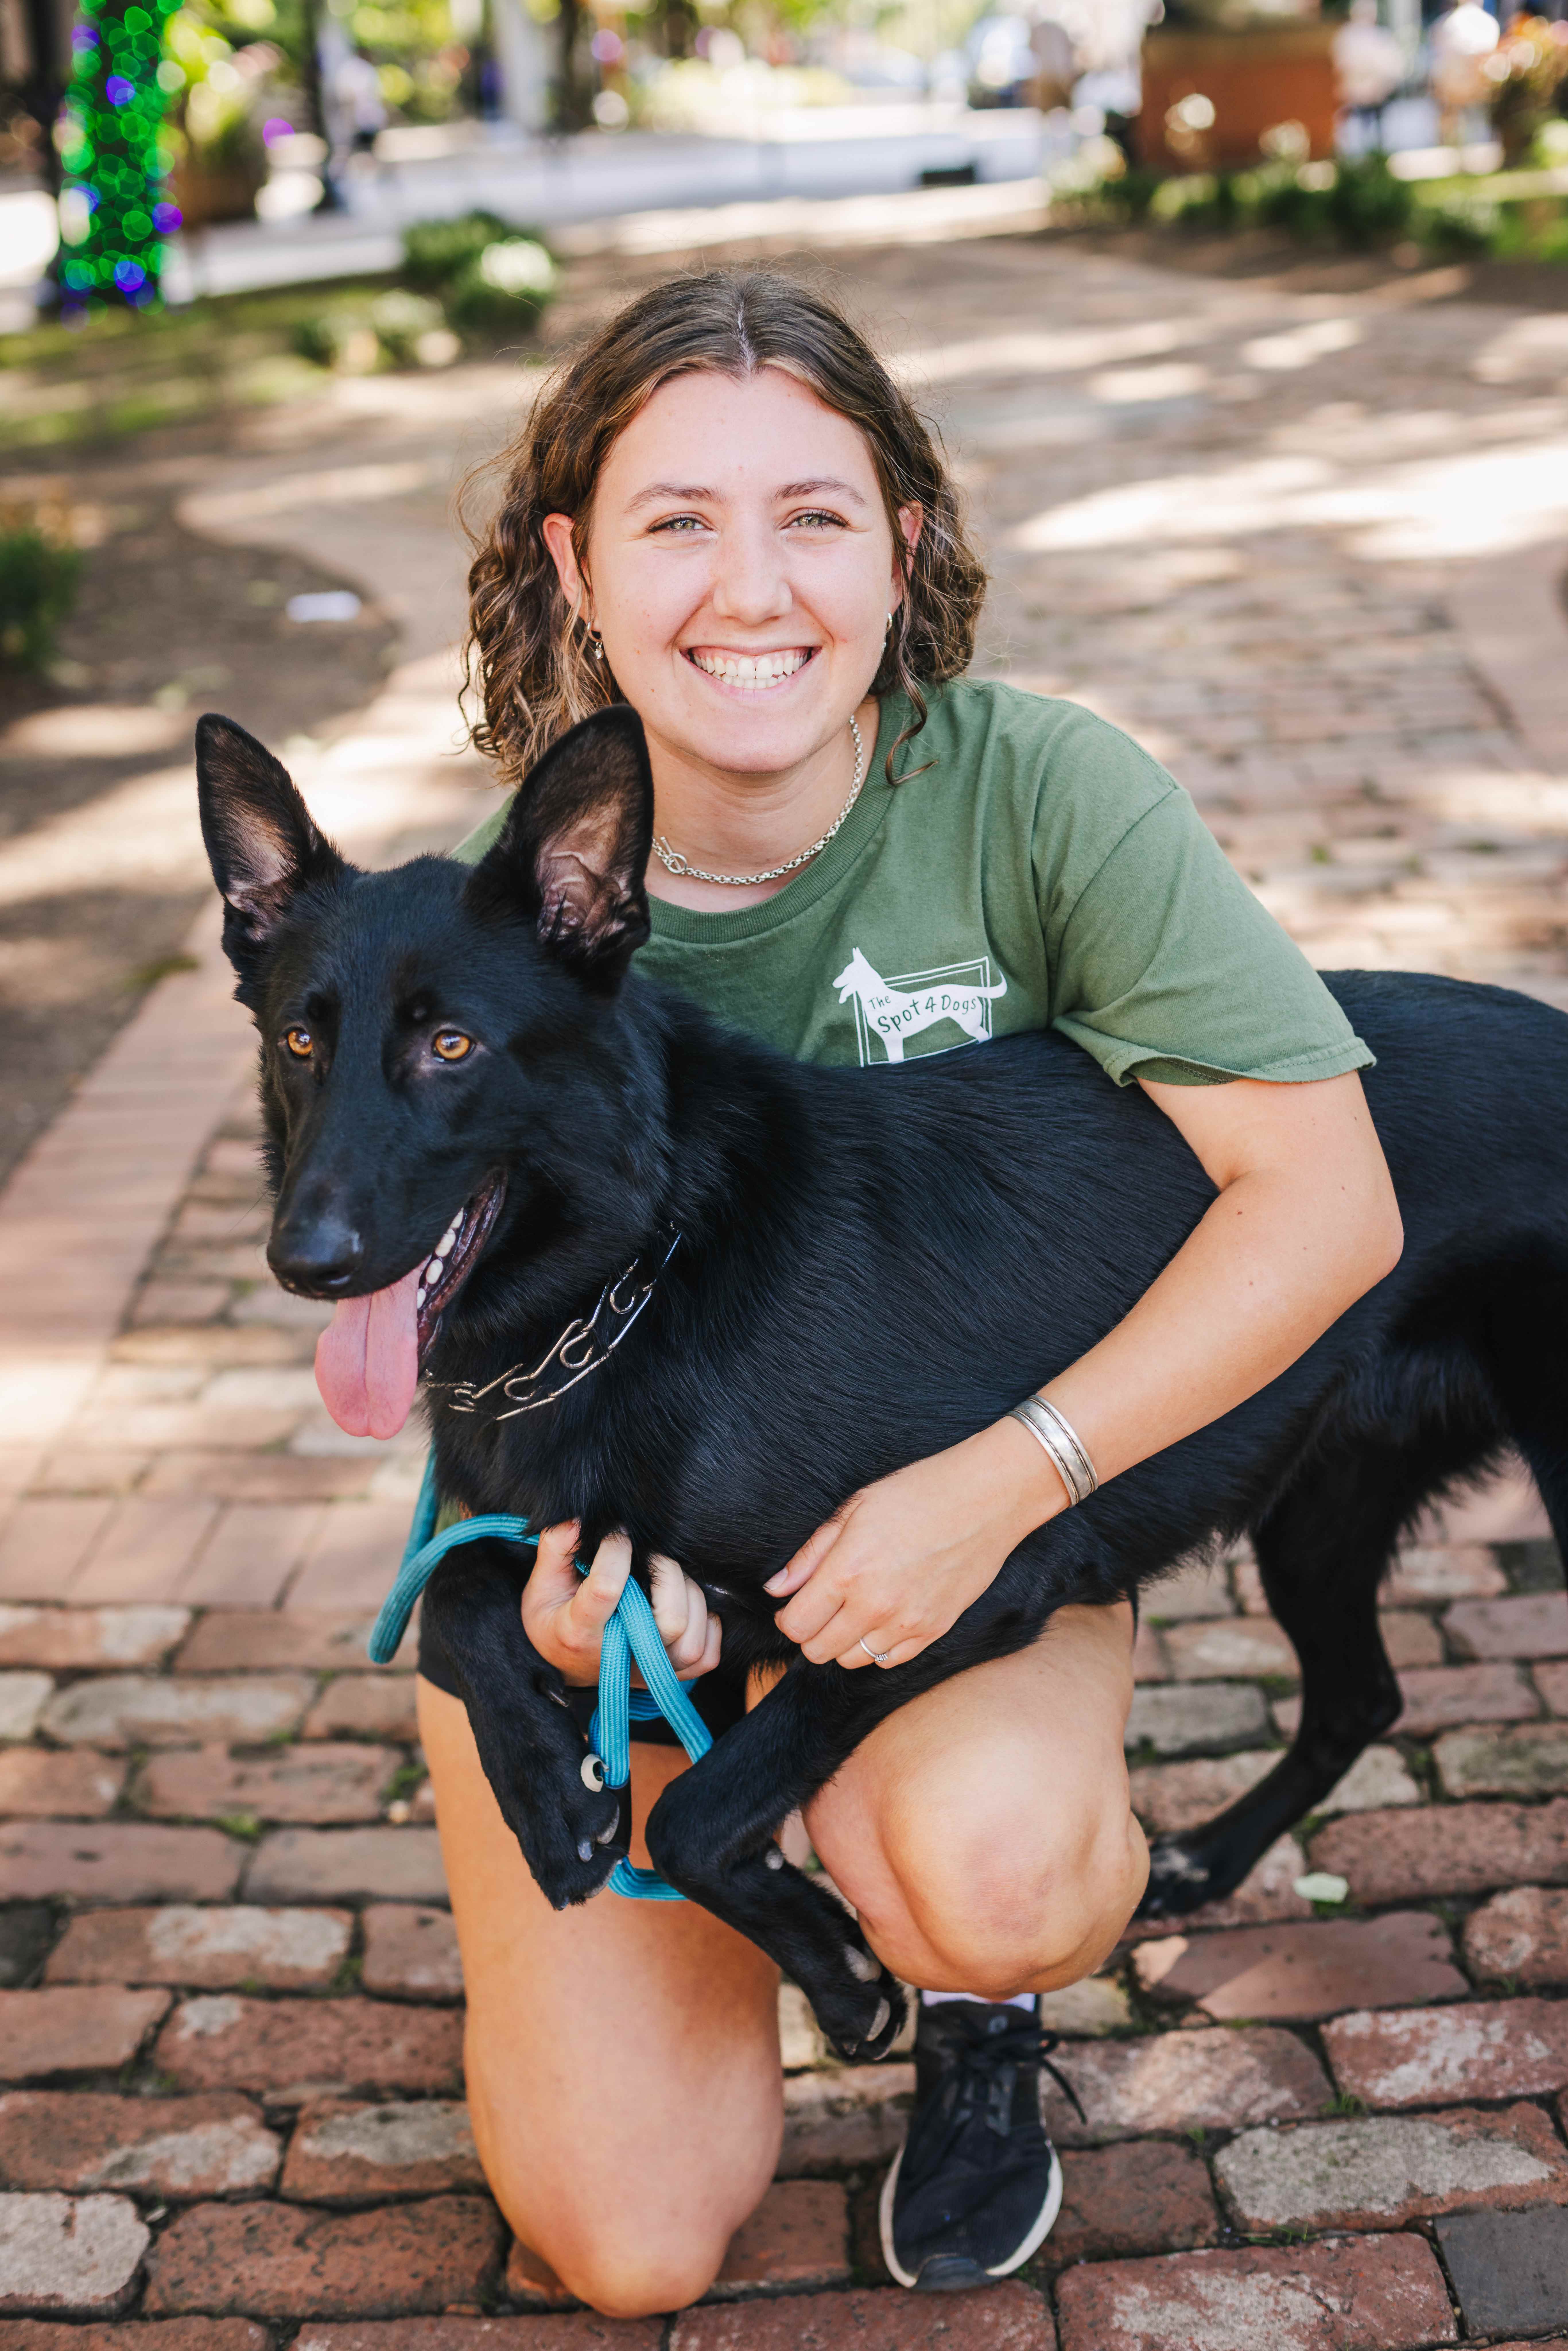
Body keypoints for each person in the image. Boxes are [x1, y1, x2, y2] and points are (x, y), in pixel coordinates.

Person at [414, 269, 1402, 2315]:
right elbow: (459, 1358)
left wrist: (1012, 1476)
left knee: (989, 1885)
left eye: (816, 515)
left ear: (904, 551)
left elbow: (1325, 1206)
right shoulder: (495, 928)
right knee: (627, 2239)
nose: (748, 587)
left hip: (978, 1529)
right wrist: (538, 1591)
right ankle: (642, 1913)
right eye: (679, 520)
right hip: (626, 1569)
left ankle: (975, 2011)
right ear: (576, 568)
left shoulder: (1039, 794)